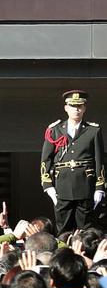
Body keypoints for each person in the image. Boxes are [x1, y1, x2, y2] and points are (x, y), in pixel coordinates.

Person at [40, 90, 105, 232]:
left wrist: (100, 188)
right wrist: (48, 186)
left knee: (85, 229)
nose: (76, 109)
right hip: (62, 186)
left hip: (85, 185)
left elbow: (100, 160)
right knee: (63, 229)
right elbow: (46, 160)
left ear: (84, 108)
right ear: (66, 108)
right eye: (73, 106)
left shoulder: (93, 131)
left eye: (80, 106)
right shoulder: (55, 130)